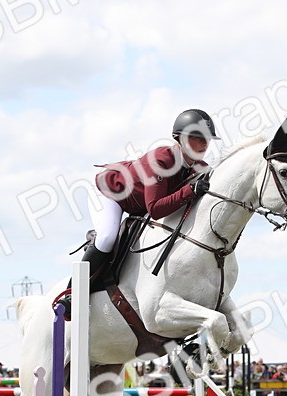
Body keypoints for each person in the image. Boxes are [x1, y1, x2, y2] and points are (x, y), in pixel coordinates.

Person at [54, 109, 220, 318]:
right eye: (198, 138)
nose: (204, 145)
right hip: (109, 193)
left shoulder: (200, 167)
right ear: (181, 139)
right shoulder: (160, 161)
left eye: (207, 139)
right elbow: (155, 209)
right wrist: (190, 191)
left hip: (137, 203)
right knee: (107, 238)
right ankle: (72, 294)